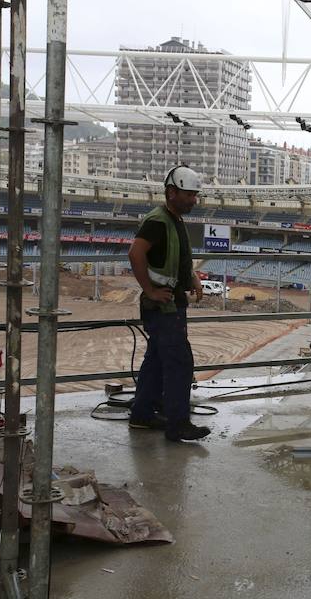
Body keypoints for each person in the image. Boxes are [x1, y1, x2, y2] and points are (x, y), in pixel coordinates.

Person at [127, 165, 209, 442]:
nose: (193, 200)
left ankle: (142, 415)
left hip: (169, 304)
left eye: (195, 195)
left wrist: (193, 279)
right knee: (179, 363)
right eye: (189, 195)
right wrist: (149, 290)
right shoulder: (158, 221)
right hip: (163, 307)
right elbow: (135, 253)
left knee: (157, 361)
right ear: (171, 192)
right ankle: (178, 424)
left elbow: (176, 258)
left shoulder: (173, 220)